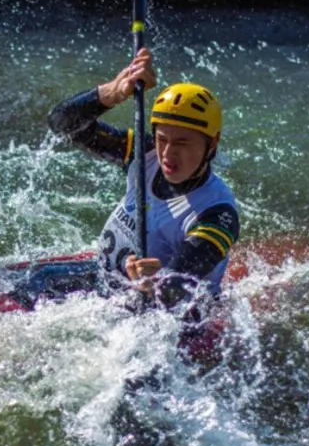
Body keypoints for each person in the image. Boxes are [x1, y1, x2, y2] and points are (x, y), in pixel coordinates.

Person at [19, 47, 240, 323]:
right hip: (110, 282)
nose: (168, 154)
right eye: (162, 139)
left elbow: (178, 286)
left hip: (167, 318)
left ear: (212, 144)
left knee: (38, 288)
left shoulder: (217, 214)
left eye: (182, 143)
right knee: (36, 279)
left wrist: (157, 281)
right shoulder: (145, 154)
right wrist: (112, 93)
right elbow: (61, 125)